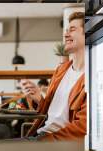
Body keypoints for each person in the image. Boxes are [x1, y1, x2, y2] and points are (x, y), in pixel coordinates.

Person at [21, 12, 86, 141]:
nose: (66, 34)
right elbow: (53, 114)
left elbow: (81, 128)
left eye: (72, 30)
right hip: (40, 134)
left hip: (54, 142)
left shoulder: (92, 77)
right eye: (66, 31)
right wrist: (39, 98)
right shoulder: (61, 70)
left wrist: (42, 143)